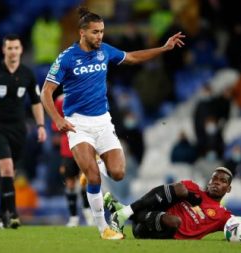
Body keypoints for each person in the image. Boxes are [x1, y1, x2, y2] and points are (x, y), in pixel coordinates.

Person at [40, 6, 185, 240]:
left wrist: (164, 48)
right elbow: (46, 92)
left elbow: (133, 57)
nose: (100, 36)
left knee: (118, 173)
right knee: (94, 176)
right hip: (78, 125)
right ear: (82, 33)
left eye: (102, 31)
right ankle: (103, 228)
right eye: (95, 32)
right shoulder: (66, 58)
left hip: (103, 123)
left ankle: (96, 164)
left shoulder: (104, 51)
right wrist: (57, 119)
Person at [0, 34, 47, 229]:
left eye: (16, 48)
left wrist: (40, 126)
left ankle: (1, 216)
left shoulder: (28, 74)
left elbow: (36, 102)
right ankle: (12, 214)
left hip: (18, 130)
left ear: (21, 50)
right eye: (9, 48)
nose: (13, 51)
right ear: (4, 50)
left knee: (9, 174)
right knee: (6, 168)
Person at [105, 167, 241, 240]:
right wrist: (187, 196)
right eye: (214, 178)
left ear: (228, 189)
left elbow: (240, 228)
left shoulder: (223, 215)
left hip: (150, 231)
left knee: (175, 222)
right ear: (208, 181)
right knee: (180, 190)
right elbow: (166, 193)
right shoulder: (193, 188)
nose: (216, 182)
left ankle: (125, 211)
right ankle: (126, 212)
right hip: (152, 217)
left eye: (222, 181)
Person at [51, 94, 93, 227]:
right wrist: (62, 126)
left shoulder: (85, 95)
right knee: (70, 183)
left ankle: (88, 214)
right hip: (67, 149)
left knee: (84, 181)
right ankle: (73, 217)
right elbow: (55, 122)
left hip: (84, 145)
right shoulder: (60, 100)